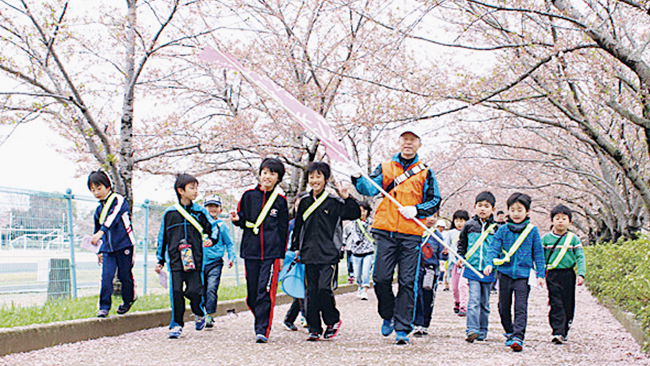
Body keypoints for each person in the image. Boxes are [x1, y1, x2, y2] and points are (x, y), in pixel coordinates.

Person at [351, 128, 441, 345]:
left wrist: (417, 210)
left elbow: (435, 199)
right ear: (399, 143)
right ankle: (388, 314)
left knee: (407, 281)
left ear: (419, 144)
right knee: (380, 278)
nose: (408, 143)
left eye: (412, 140)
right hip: (385, 230)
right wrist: (356, 177)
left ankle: (402, 327)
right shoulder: (385, 167)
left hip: (411, 234)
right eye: (404, 140)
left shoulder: (425, 172)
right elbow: (369, 188)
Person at [292, 162, 361, 341]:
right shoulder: (305, 202)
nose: (314, 180)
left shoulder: (334, 201)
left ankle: (332, 321)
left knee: (324, 289)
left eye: (318, 176)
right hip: (308, 253)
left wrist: (347, 197)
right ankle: (314, 328)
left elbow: (353, 214)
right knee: (310, 292)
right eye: (311, 177)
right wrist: (296, 249)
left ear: (326, 179)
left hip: (329, 253)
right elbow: (299, 226)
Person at [230, 158, 289, 343]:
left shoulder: (280, 201)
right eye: (265, 172)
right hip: (251, 251)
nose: (267, 176)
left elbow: (283, 230)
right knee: (253, 294)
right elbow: (242, 219)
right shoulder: (248, 196)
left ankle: (262, 329)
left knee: (265, 290)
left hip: (271, 254)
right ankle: (260, 315)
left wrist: (280, 256)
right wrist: (236, 219)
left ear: (278, 178)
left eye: (272, 173)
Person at [484, 192, 545, 352]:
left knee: (520, 306)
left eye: (520, 210)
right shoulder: (502, 230)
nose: (516, 213)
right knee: (503, 306)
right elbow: (494, 248)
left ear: (527, 212)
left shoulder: (532, 231)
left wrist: (540, 274)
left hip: (524, 276)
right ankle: (509, 331)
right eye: (513, 209)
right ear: (508, 211)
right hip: (504, 273)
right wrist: (489, 262)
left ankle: (518, 336)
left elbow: (538, 253)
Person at [155, 173, 214, 339]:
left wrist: (211, 239)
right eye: (192, 188)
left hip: (194, 259)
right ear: (181, 190)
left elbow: (212, 229)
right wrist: (160, 260)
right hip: (175, 260)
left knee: (195, 291)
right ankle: (176, 325)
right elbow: (162, 238)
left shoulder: (200, 212)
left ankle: (198, 311)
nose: (196, 191)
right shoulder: (170, 213)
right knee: (175, 292)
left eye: (197, 188)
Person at [88, 170, 136, 318]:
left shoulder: (119, 200)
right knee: (106, 277)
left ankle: (128, 300)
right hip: (108, 249)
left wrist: (101, 232)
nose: (96, 192)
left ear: (108, 186)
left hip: (124, 244)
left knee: (124, 276)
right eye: (93, 190)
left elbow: (112, 217)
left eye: (99, 188)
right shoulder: (98, 209)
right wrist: (99, 251)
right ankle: (104, 307)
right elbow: (97, 227)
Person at [457, 191, 499, 343]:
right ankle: (472, 330)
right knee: (473, 299)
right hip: (472, 268)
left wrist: (494, 263)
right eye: (480, 205)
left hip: (488, 269)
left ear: (493, 209)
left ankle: (482, 331)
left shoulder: (497, 227)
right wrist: (460, 257)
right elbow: (461, 244)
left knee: (485, 302)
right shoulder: (469, 225)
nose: (483, 209)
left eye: (486, 206)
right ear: (475, 206)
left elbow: (499, 248)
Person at [542, 204, 586, 344]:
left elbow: (580, 257)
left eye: (564, 218)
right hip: (552, 274)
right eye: (557, 218)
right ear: (552, 221)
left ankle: (565, 328)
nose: (560, 221)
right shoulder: (546, 239)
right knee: (555, 302)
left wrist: (581, 274)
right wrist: (540, 274)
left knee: (568, 302)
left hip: (568, 274)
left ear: (570, 222)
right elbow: (540, 257)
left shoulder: (573, 239)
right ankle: (557, 331)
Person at [203, 194, 236, 329]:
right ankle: (200, 313)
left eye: (215, 206)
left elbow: (229, 243)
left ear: (220, 210)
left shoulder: (221, 226)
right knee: (200, 290)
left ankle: (209, 315)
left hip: (215, 262)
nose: (212, 209)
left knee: (211, 288)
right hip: (199, 263)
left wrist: (231, 257)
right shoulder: (199, 224)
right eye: (210, 206)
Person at [413, 216, 447, 337]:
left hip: (430, 270)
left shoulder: (437, 235)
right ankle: (417, 323)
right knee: (417, 294)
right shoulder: (415, 230)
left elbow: (443, 253)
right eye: (429, 215)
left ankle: (425, 324)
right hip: (416, 268)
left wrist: (443, 258)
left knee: (428, 296)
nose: (432, 219)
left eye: (435, 216)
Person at [283, 193, 307, 331]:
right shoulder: (291, 225)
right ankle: (307, 317)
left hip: (308, 259)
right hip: (295, 260)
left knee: (304, 289)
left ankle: (289, 318)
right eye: (298, 205)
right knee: (303, 289)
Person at [343, 201, 375, 300]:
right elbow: (354, 233)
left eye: (364, 210)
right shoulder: (354, 222)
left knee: (366, 271)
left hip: (368, 251)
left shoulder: (371, 222)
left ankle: (365, 289)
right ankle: (360, 286)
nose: (362, 213)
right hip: (356, 251)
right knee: (357, 274)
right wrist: (357, 241)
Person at [448, 210, 469, 315]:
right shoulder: (450, 233)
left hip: (465, 263)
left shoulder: (469, 232)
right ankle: (457, 301)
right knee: (455, 286)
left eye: (462, 220)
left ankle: (464, 306)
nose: (459, 223)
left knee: (463, 285)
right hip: (455, 265)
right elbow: (447, 247)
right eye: (457, 220)